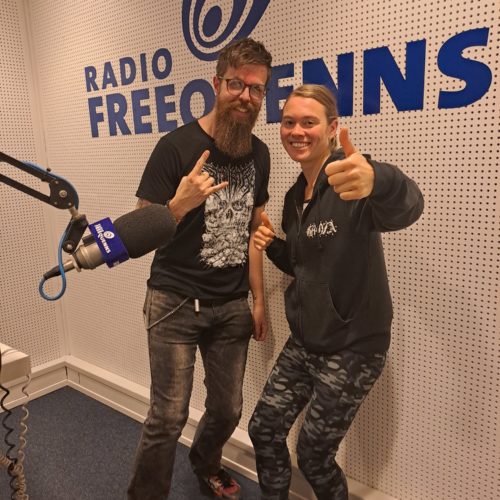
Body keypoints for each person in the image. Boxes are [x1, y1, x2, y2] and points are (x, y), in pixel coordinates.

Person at [248, 84, 424, 500]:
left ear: (332, 128)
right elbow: (305, 266)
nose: (296, 131)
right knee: (264, 428)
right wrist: (273, 246)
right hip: (306, 340)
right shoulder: (294, 196)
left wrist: (378, 179)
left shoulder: (351, 179)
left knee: (313, 456)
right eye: (289, 122)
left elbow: (410, 205)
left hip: (352, 347)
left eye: (308, 122)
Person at [127, 38, 273, 500]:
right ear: (217, 84)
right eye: (236, 84)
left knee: (229, 409)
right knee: (168, 416)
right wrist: (178, 205)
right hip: (174, 300)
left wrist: (259, 298)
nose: (245, 96)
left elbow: (255, 229)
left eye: (256, 89)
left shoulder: (261, 154)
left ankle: (205, 462)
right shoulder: (176, 147)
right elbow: (139, 231)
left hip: (230, 304)